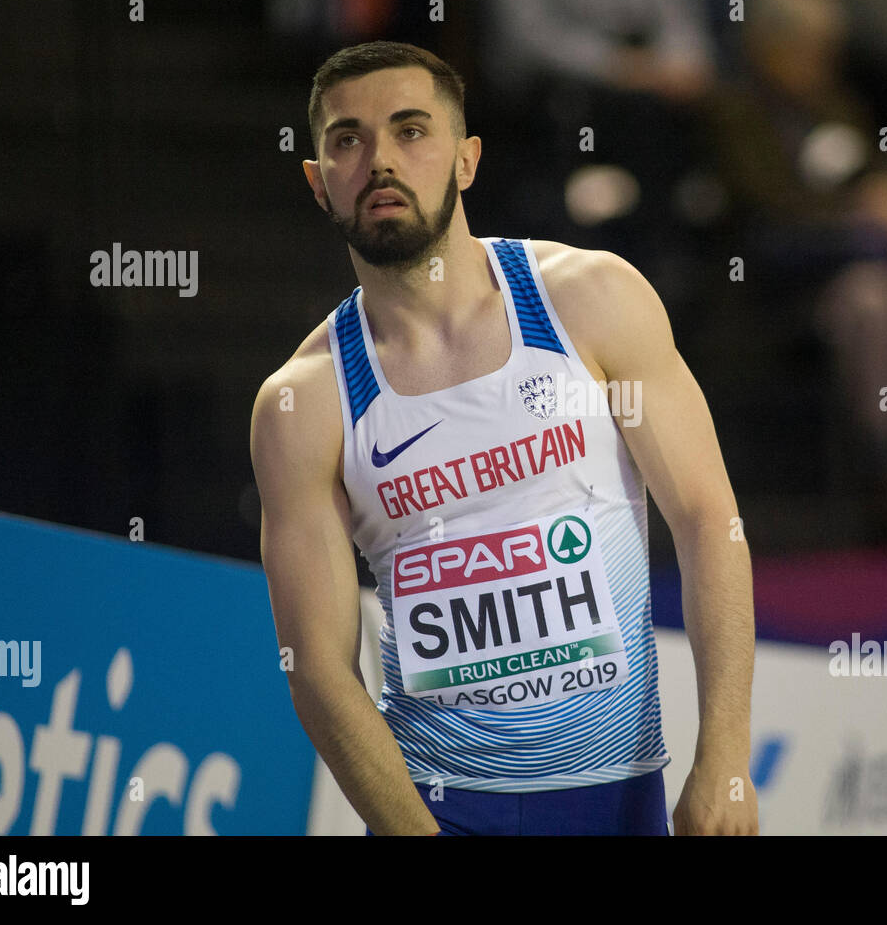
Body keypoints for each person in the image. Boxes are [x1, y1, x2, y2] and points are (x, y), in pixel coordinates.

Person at [249, 41, 757, 835]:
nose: (380, 160)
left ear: (465, 160)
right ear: (319, 182)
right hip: (437, 805)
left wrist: (724, 760)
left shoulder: (593, 301)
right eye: (348, 140)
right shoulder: (302, 403)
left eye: (411, 130)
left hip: (617, 794)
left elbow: (707, 523)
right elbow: (317, 667)